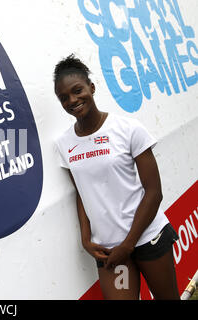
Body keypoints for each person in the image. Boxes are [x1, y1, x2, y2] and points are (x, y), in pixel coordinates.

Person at [53, 54, 180, 300]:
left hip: (147, 238)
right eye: (64, 98)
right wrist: (86, 239)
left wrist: (129, 244)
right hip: (108, 249)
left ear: (91, 87)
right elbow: (82, 193)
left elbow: (154, 193)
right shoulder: (64, 143)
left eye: (77, 90)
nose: (72, 100)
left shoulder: (128, 129)